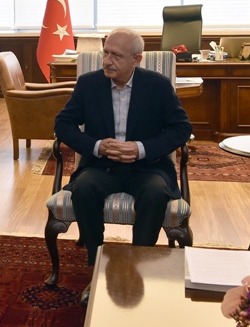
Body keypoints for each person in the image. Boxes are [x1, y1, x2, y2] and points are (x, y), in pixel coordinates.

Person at [54, 28, 192, 304]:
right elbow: (63, 124)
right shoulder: (89, 84)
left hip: (147, 167)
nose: (107, 61)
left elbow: (181, 129)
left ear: (136, 59)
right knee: (84, 189)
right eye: (105, 53)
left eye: (116, 56)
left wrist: (141, 149)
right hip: (101, 166)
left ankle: (137, 267)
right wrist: (97, 146)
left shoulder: (158, 85)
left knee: (155, 193)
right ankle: (96, 266)